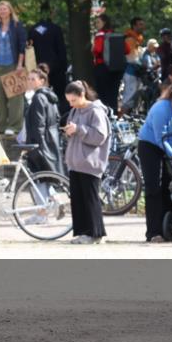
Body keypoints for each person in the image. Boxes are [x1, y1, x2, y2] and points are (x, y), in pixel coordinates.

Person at [137, 83, 172, 243]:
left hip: (170, 145)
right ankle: (153, 232)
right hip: (151, 146)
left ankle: (168, 230)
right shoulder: (161, 109)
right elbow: (159, 138)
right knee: (153, 188)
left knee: (170, 188)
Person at [62, 80, 110, 244]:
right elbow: (73, 129)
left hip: (90, 163)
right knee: (78, 199)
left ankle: (96, 234)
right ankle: (84, 233)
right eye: (69, 101)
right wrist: (69, 131)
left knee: (90, 200)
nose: (71, 104)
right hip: (76, 162)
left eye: (73, 100)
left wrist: (79, 129)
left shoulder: (95, 111)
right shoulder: (75, 111)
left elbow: (100, 136)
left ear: (82, 95)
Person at [0, 0, 26, 135]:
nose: (2, 11)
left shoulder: (17, 26)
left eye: (4, 9)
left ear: (10, 10)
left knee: (15, 96)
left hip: (13, 64)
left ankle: (14, 126)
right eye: (0, 9)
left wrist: (20, 64)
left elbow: (22, 46)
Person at [23, 67, 65, 178]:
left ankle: (49, 195)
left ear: (42, 81)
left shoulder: (38, 97)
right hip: (52, 138)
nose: (30, 81)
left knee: (41, 176)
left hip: (41, 142)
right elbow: (57, 118)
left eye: (33, 79)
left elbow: (39, 124)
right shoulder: (50, 96)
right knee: (49, 176)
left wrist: (38, 144)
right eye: (29, 79)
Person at [28, 3, 69, 105]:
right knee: (59, 95)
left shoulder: (33, 30)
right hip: (56, 68)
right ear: (51, 13)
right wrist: (64, 67)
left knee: (40, 94)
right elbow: (61, 49)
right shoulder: (55, 29)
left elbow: (29, 50)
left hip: (38, 67)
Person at [92, 14, 122, 111]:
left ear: (104, 23)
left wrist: (93, 49)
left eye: (98, 22)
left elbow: (98, 50)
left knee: (103, 95)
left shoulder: (100, 35)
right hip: (116, 68)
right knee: (113, 94)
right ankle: (114, 115)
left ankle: (104, 116)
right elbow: (127, 50)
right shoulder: (115, 35)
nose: (96, 24)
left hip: (102, 67)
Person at [120, 17, 147, 114]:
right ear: (134, 26)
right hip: (130, 72)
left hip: (134, 73)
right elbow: (132, 58)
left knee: (133, 99)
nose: (143, 26)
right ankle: (121, 119)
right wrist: (143, 65)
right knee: (128, 99)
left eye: (143, 24)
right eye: (140, 24)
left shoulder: (137, 39)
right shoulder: (130, 39)